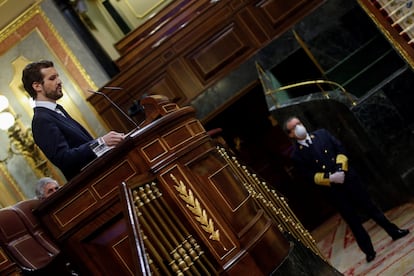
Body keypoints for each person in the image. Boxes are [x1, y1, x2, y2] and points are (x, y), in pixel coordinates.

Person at [283, 116, 409, 263]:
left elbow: (340, 149)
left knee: (371, 208)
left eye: (299, 123)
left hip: (349, 179)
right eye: (294, 127)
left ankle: (394, 232)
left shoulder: (322, 134)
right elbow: (309, 176)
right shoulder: (297, 155)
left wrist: (340, 170)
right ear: (291, 134)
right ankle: (368, 251)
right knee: (353, 221)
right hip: (333, 190)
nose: (299, 127)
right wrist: (330, 177)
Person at [22, 60, 125, 180]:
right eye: (52, 78)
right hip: (91, 182)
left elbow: (81, 145)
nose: (59, 81)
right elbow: (64, 159)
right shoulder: (41, 120)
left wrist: (108, 145)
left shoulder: (57, 110)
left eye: (58, 77)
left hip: (102, 173)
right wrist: (101, 142)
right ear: (37, 86)